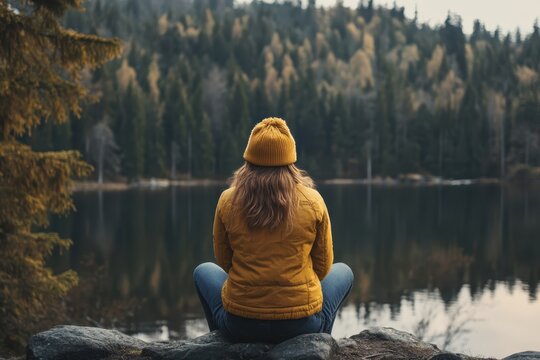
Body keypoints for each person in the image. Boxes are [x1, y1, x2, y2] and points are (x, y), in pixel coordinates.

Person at [193, 117, 353, 343]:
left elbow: (224, 261)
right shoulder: (313, 200)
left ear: (249, 159)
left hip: (240, 323)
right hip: (301, 325)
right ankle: (319, 342)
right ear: (291, 161)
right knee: (343, 271)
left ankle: (222, 345)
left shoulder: (227, 200)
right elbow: (324, 266)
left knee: (203, 270)